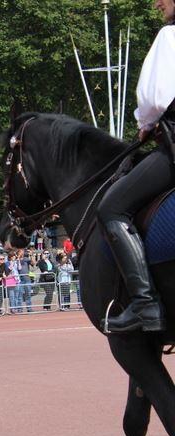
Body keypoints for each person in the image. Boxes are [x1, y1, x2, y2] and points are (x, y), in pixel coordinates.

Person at [95, 0, 175, 332]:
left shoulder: (170, 36)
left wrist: (145, 124)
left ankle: (145, 303)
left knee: (111, 208)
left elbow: (156, 98)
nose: (157, 3)